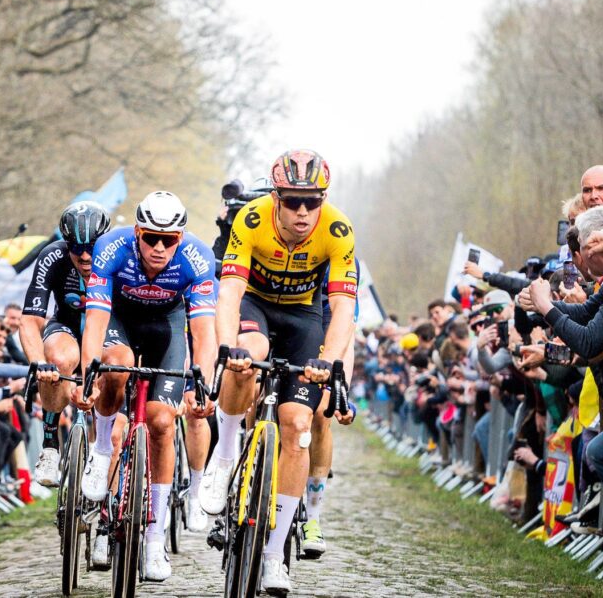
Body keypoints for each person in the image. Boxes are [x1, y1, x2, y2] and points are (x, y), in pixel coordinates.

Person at [199, 149, 357, 596]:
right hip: (256, 304)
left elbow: (344, 306)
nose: (303, 211)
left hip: (304, 317)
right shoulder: (250, 220)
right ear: (277, 198)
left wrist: (332, 359)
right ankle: (226, 451)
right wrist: (228, 345)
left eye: (313, 201)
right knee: (250, 353)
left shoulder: (338, 229)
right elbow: (228, 292)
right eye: (292, 201)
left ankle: (273, 555)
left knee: (298, 424)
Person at [72, 191, 218, 582]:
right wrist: (90, 372)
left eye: (168, 240)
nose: (158, 247)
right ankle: (102, 449)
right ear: (136, 232)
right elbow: (97, 319)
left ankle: (155, 539)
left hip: (166, 329)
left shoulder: (198, 258)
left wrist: (202, 380)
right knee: (115, 367)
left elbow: (204, 333)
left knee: (162, 422)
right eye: (150, 237)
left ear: (181, 238)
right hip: (120, 319)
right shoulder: (110, 249)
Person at [20, 201, 111, 487]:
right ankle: (50, 445)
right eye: (76, 248)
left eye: (91, 247)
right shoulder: (52, 256)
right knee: (57, 359)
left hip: (109, 331)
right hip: (67, 326)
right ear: (65, 244)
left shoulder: (118, 255)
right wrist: (39, 363)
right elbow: (29, 320)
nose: (84, 256)